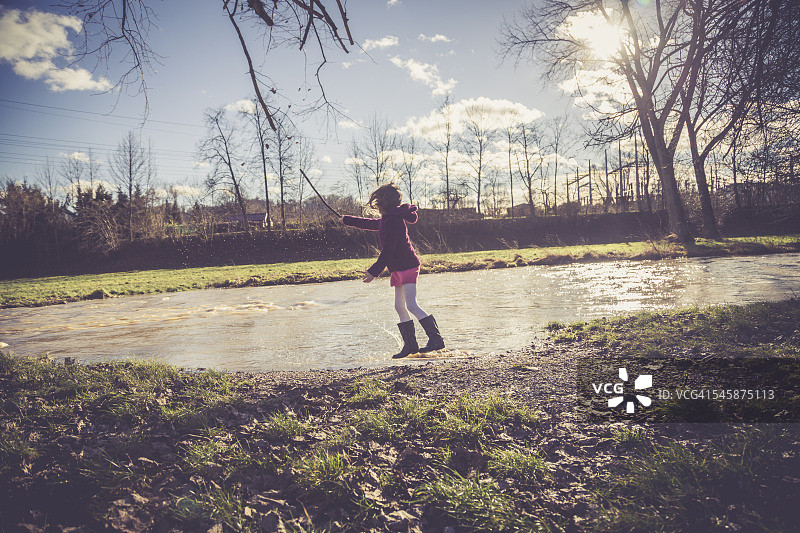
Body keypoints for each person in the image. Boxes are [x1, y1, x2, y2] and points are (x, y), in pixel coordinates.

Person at [342, 183, 445, 358]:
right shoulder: (389, 219)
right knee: (399, 306)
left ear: (383, 203)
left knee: (411, 305)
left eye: (378, 202)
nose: (377, 206)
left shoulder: (393, 221)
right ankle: (411, 346)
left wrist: (374, 272)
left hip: (408, 266)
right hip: (399, 267)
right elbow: (373, 224)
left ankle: (436, 339)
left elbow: (387, 251)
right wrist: (347, 220)